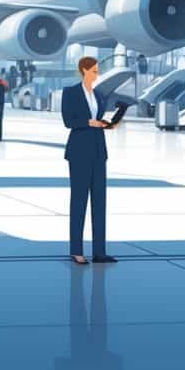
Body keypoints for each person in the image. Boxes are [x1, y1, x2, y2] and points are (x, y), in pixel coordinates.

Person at [62, 57, 117, 265]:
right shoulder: (71, 93)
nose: (96, 74)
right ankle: (76, 250)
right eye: (93, 70)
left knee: (99, 202)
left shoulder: (99, 95)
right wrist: (89, 122)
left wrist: (107, 124)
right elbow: (68, 121)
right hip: (79, 152)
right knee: (79, 201)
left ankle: (99, 252)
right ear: (83, 70)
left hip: (98, 151)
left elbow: (99, 119)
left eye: (97, 71)